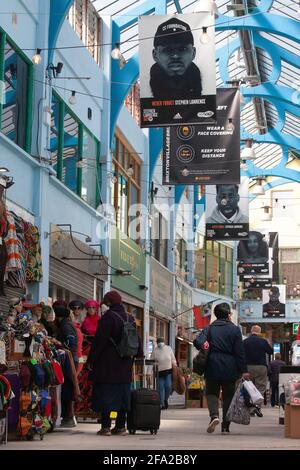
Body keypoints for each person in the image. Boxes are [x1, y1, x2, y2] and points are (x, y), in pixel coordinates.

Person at [87, 290, 142, 436]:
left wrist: (90, 360)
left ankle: (105, 427)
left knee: (106, 395)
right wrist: (136, 356)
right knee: (123, 397)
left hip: (108, 365)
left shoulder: (108, 318)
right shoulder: (130, 318)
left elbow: (99, 341)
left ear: (109, 303)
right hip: (125, 366)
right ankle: (120, 426)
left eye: (105, 303)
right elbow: (138, 342)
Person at [194, 303, 249, 434]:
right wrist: (243, 370)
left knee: (211, 392)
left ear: (215, 315)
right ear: (229, 315)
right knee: (228, 395)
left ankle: (214, 416)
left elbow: (198, 341)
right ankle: (225, 425)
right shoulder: (235, 329)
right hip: (230, 365)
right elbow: (239, 352)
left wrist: (206, 346)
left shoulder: (209, 328)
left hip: (212, 363)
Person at [150, 18, 202, 99]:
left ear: (193, 53)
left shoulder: (194, 74)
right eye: (168, 50)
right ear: (155, 55)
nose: (175, 56)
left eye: (182, 49)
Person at [53, 304, 78, 427]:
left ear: (58, 317)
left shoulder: (65, 325)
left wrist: (59, 343)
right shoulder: (67, 324)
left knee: (67, 386)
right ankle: (68, 417)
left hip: (68, 359)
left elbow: (71, 341)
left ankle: (68, 417)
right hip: (70, 358)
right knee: (68, 386)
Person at [243, 325, 273, 416]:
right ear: (259, 332)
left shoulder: (245, 342)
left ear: (251, 331)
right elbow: (270, 351)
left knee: (249, 388)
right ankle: (256, 406)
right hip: (261, 367)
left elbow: (239, 353)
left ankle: (251, 407)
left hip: (248, 367)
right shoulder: (263, 341)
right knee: (260, 387)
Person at [151, 337, 177, 410]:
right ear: (157, 343)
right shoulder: (155, 350)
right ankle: (162, 404)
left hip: (168, 371)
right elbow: (151, 360)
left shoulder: (168, 348)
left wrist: (175, 366)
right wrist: (151, 369)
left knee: (168, 386)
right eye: (158, 342)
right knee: (160, 388)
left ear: (164, 342)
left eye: (161, 342)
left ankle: (166, 399)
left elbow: (173, 359)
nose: (160, 344)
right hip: (159, 372)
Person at [69, 300, 84, 375]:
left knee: (80, 366)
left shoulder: (80, 321)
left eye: (79, 308)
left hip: (80, 352)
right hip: (75, 353)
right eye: (74, 308)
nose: (77, 310)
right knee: (75, 374)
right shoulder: (71, 322)